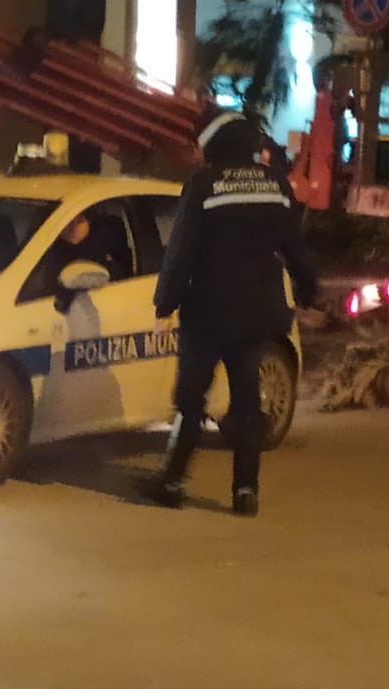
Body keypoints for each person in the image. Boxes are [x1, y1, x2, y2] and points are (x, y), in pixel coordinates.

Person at [141, 108, 319, 516]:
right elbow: (295, 246)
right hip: (257, 314)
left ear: (214, 144)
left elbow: (181, 251)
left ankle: (171, 482)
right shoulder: (274, 184)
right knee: (246, 403)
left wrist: (163, 303)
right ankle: (245, 491)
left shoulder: (204, 184)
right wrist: (309, 287)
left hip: (208, 313)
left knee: (191, 399)